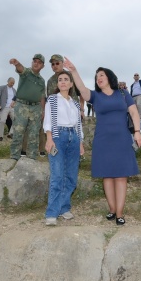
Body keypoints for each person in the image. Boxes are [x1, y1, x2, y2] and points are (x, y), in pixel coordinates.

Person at [66, 58, 141, 225]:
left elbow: (134, 112)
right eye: (96, 77)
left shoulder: (122, 93)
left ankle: (120, 213)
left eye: (101, 75)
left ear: (109, 77)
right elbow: (82, 89)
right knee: (107, 176)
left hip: (122, 139)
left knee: (121, 176)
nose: (98, 78)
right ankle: (112, 209)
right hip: (103, 141)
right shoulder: (95, 96)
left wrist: (137, 132)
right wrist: (73, 71)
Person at [43, 71, 85, 226]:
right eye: (60, 79)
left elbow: (78, 125)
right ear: (57, 83)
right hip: (58, 137)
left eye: (66, 79)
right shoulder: (52, 99)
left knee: (71, 176)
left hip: (74, 138)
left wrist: (80, 142)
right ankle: (52, 213)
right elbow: (48, 120)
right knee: (57, 175)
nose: (63, 82)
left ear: (71, 84)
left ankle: (64, 207)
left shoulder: (75, 103)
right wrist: (49, 139)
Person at [8, 54, 46, 160]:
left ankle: (32, 158)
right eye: (35, 61)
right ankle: (14, 157)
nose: (36, 64)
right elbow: (20, 69)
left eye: (39, 62)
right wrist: (17, 63)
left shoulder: (42, 81)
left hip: (36, 108)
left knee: (34, 134)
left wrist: (43, 111)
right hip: (22, 106)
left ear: (43, 66)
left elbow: (42, 97)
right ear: (32, 62)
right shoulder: (26, 73)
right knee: (18, 132)